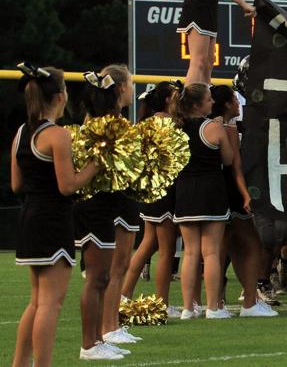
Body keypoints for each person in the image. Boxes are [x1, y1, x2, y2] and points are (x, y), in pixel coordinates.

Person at [12, 63, 101, 366]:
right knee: (51, 303)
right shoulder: (57, 135)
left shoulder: (21, 132)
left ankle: (19, 363)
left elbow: (16, 184)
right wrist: (95, 165)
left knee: (37, 301)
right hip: (53, 220)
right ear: (61, 95)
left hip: (29, 218)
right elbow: (67, 186)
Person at [74, 65, 138, 359]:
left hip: (112, 199)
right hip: (99, 201)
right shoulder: (101, 123)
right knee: (100, 274)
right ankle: (96, 339)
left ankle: (102, 335)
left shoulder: (114, 121)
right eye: (131, 83)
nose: (133, 89)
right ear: (120, 88)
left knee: (109, 271)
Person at [210, 85, 277, 317]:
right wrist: (245, 194)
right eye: (235, 100)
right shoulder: (227, 127)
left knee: (223, 247)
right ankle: (249, 301)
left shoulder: (207, 125)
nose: (239, 103)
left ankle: (216, 303)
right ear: (227, 104)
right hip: (231, 191)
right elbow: (235, 166)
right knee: (251, 245)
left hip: (214, 191)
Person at [173, 83, 234, 318]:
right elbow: (228, 160)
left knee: (190, 253)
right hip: (212, 193)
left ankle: (188, 308)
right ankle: (212, 308)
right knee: (211, 253)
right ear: (198, 104)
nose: (213, 102)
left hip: (185, 192)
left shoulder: (175, 128)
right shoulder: (213, 128)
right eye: (209, 99)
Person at [121, 82, 182, 316]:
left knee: (148, 243)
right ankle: (162, 303)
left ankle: (124, 294)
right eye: (176, 96)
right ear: (167, 100)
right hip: (165, 190)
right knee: (166, 249)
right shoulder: (170, 123)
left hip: (150, 189)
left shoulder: (145, 123)